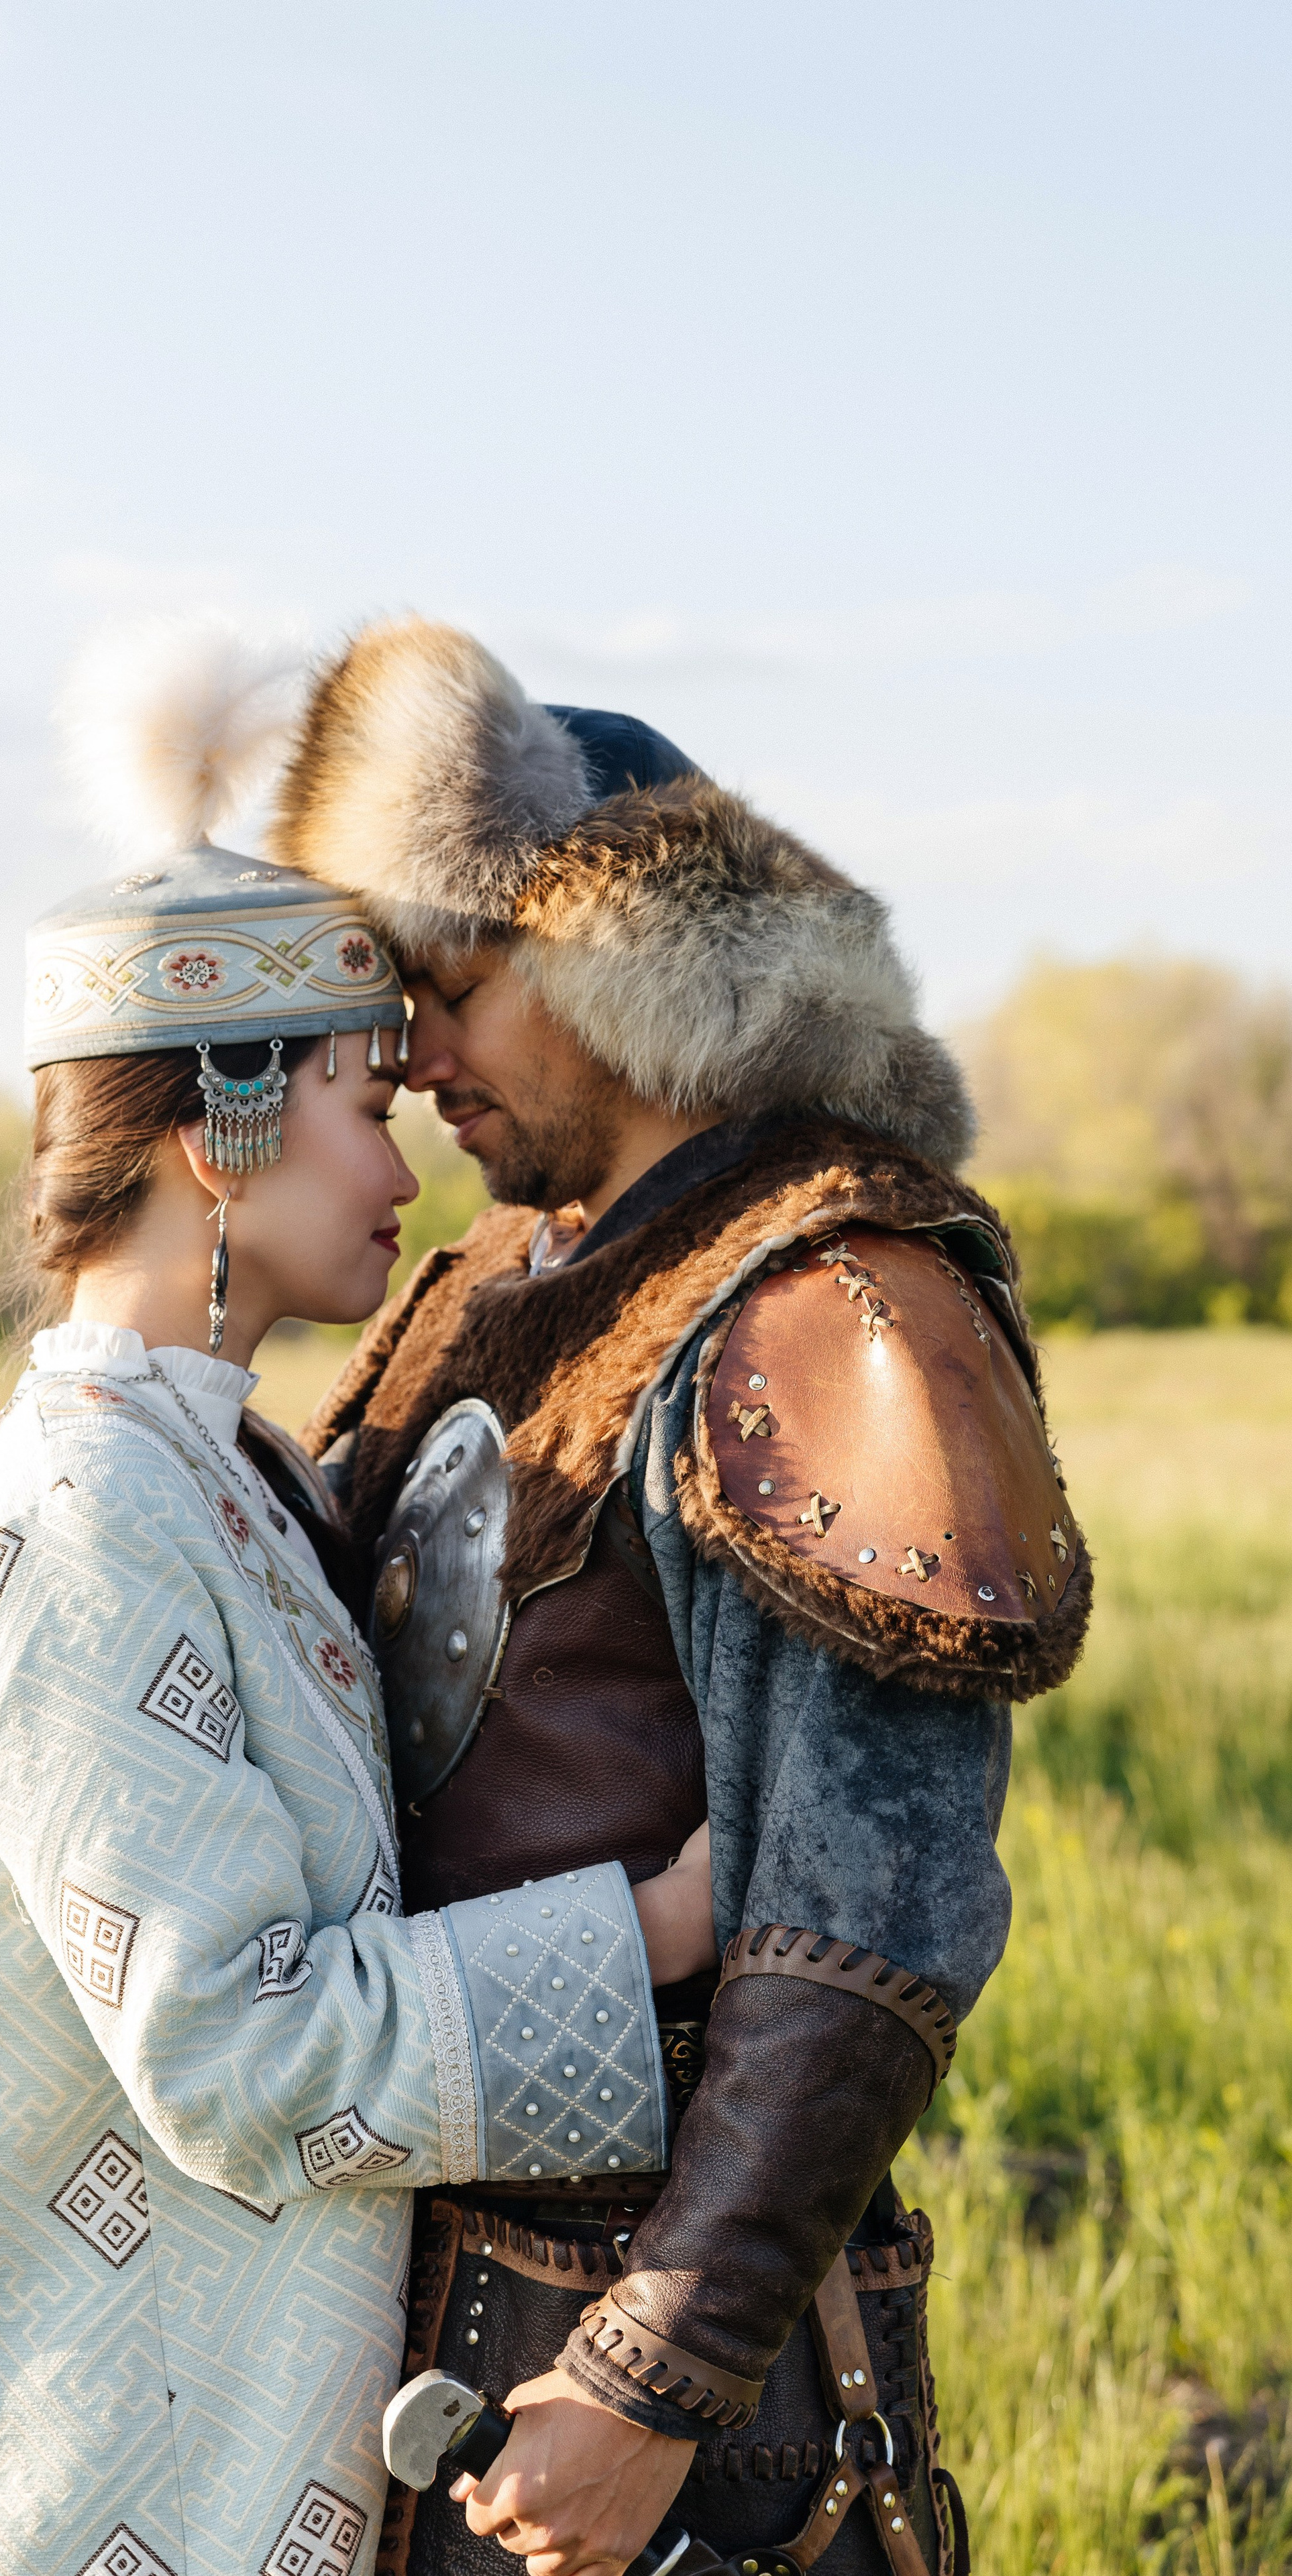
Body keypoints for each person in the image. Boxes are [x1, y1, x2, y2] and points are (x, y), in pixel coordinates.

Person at [0, 627, 718, 2576]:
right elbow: (237, 2051)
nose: (404, 1158)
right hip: (104, 2499)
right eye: (360, 1100)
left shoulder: (234, 1466)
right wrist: (656, 1926)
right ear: (219, 1128)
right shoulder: (91, 1502)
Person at [267, 618, 1093, 2576]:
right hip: (401, 2325)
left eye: (455, 987)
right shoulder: (475, 1291)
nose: (418, 1059)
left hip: (667, 2410)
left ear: (617, 959)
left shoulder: (834, 1300)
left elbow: (864, 1921)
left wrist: (657, 2368)